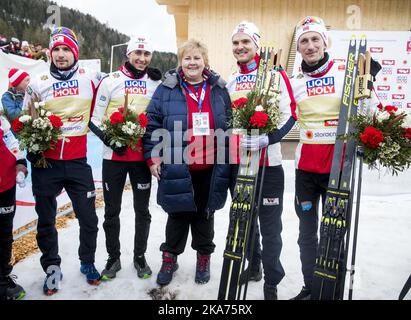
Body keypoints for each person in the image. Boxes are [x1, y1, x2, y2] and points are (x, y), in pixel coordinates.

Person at [290, 16, 381, 300]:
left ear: (325, 42)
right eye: (303, 41)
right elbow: (281, 116)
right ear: (299, 47)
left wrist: (368, 80)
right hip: (305, 169)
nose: (309, 45)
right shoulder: (295, 83)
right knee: (307, 235)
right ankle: (310, 287)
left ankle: (332, 291)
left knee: (334, 234)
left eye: (315, 39)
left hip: (337, 168)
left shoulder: (346, 74)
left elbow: (369, 110)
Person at [143, 39, 231, 286]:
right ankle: (170, 257)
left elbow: (229, 123)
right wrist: (152, 157)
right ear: (180, 62)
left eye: (197, 58)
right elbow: (152, 124)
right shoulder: (166, 89)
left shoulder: (218, 89)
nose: (192, 63)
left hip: (210, 165)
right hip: (176, 162)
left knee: (205, 214)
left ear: (205, 62)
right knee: (178, 214)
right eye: (187, 58)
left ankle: (204, 257)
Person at [23, 26, 102, 296]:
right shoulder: (38, 82)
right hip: (46, 164)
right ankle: (51, 268)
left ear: (75, 52)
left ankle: (87, 261)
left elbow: (118, 85)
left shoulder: (90, 77)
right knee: (46, 220)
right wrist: (30, 149)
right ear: (50, 52)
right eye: (55, 49)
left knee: (89, 218)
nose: (60, 54)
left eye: (66, 48)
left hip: (78, 161)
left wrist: (153, 76)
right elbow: (25, 119)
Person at [226, 21, 297, 300]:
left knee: (270, 225)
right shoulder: (231, 79)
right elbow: (227, 121)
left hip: (269, 163)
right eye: (235, 43)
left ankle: (271, 281)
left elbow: (292, 113)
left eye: (245, 42)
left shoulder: (275, 75)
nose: (240, 47)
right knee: (244, 220)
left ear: (257, 44)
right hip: (239, 162)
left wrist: (270, 138)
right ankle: (253, 266)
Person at [90, 36, 162, 280]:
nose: (142, 59)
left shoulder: (155, 82)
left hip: (142, 158)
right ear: (128, 54)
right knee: (112, 210)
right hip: (114, 158)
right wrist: (110, 140)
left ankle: (139, 257)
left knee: (142, 210)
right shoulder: (111, 81)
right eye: (137, 53)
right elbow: (94, 118)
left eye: (146, 54)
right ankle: (113, 258)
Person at [0, 109, 27, 300]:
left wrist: (20, 163)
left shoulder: (1, 121)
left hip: (6, 185)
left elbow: (12, 143)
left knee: (4, 234)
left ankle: (3, 278)